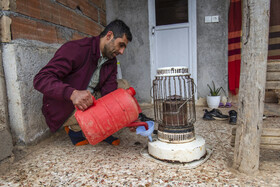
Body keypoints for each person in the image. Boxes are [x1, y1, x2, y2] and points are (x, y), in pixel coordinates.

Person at [33, 19, 134, 146]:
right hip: (66, 104)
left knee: (123, 88)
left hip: (88, 97)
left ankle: (100, 128)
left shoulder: (111, 60)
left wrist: (126, 114)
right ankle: (74, 128)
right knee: (97, 108)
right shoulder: (76, 49)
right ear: (109, 36)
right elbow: (41, 79)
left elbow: (110, 92)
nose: (122, 52)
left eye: (124, 47)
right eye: (121, 45)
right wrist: (72, 94)